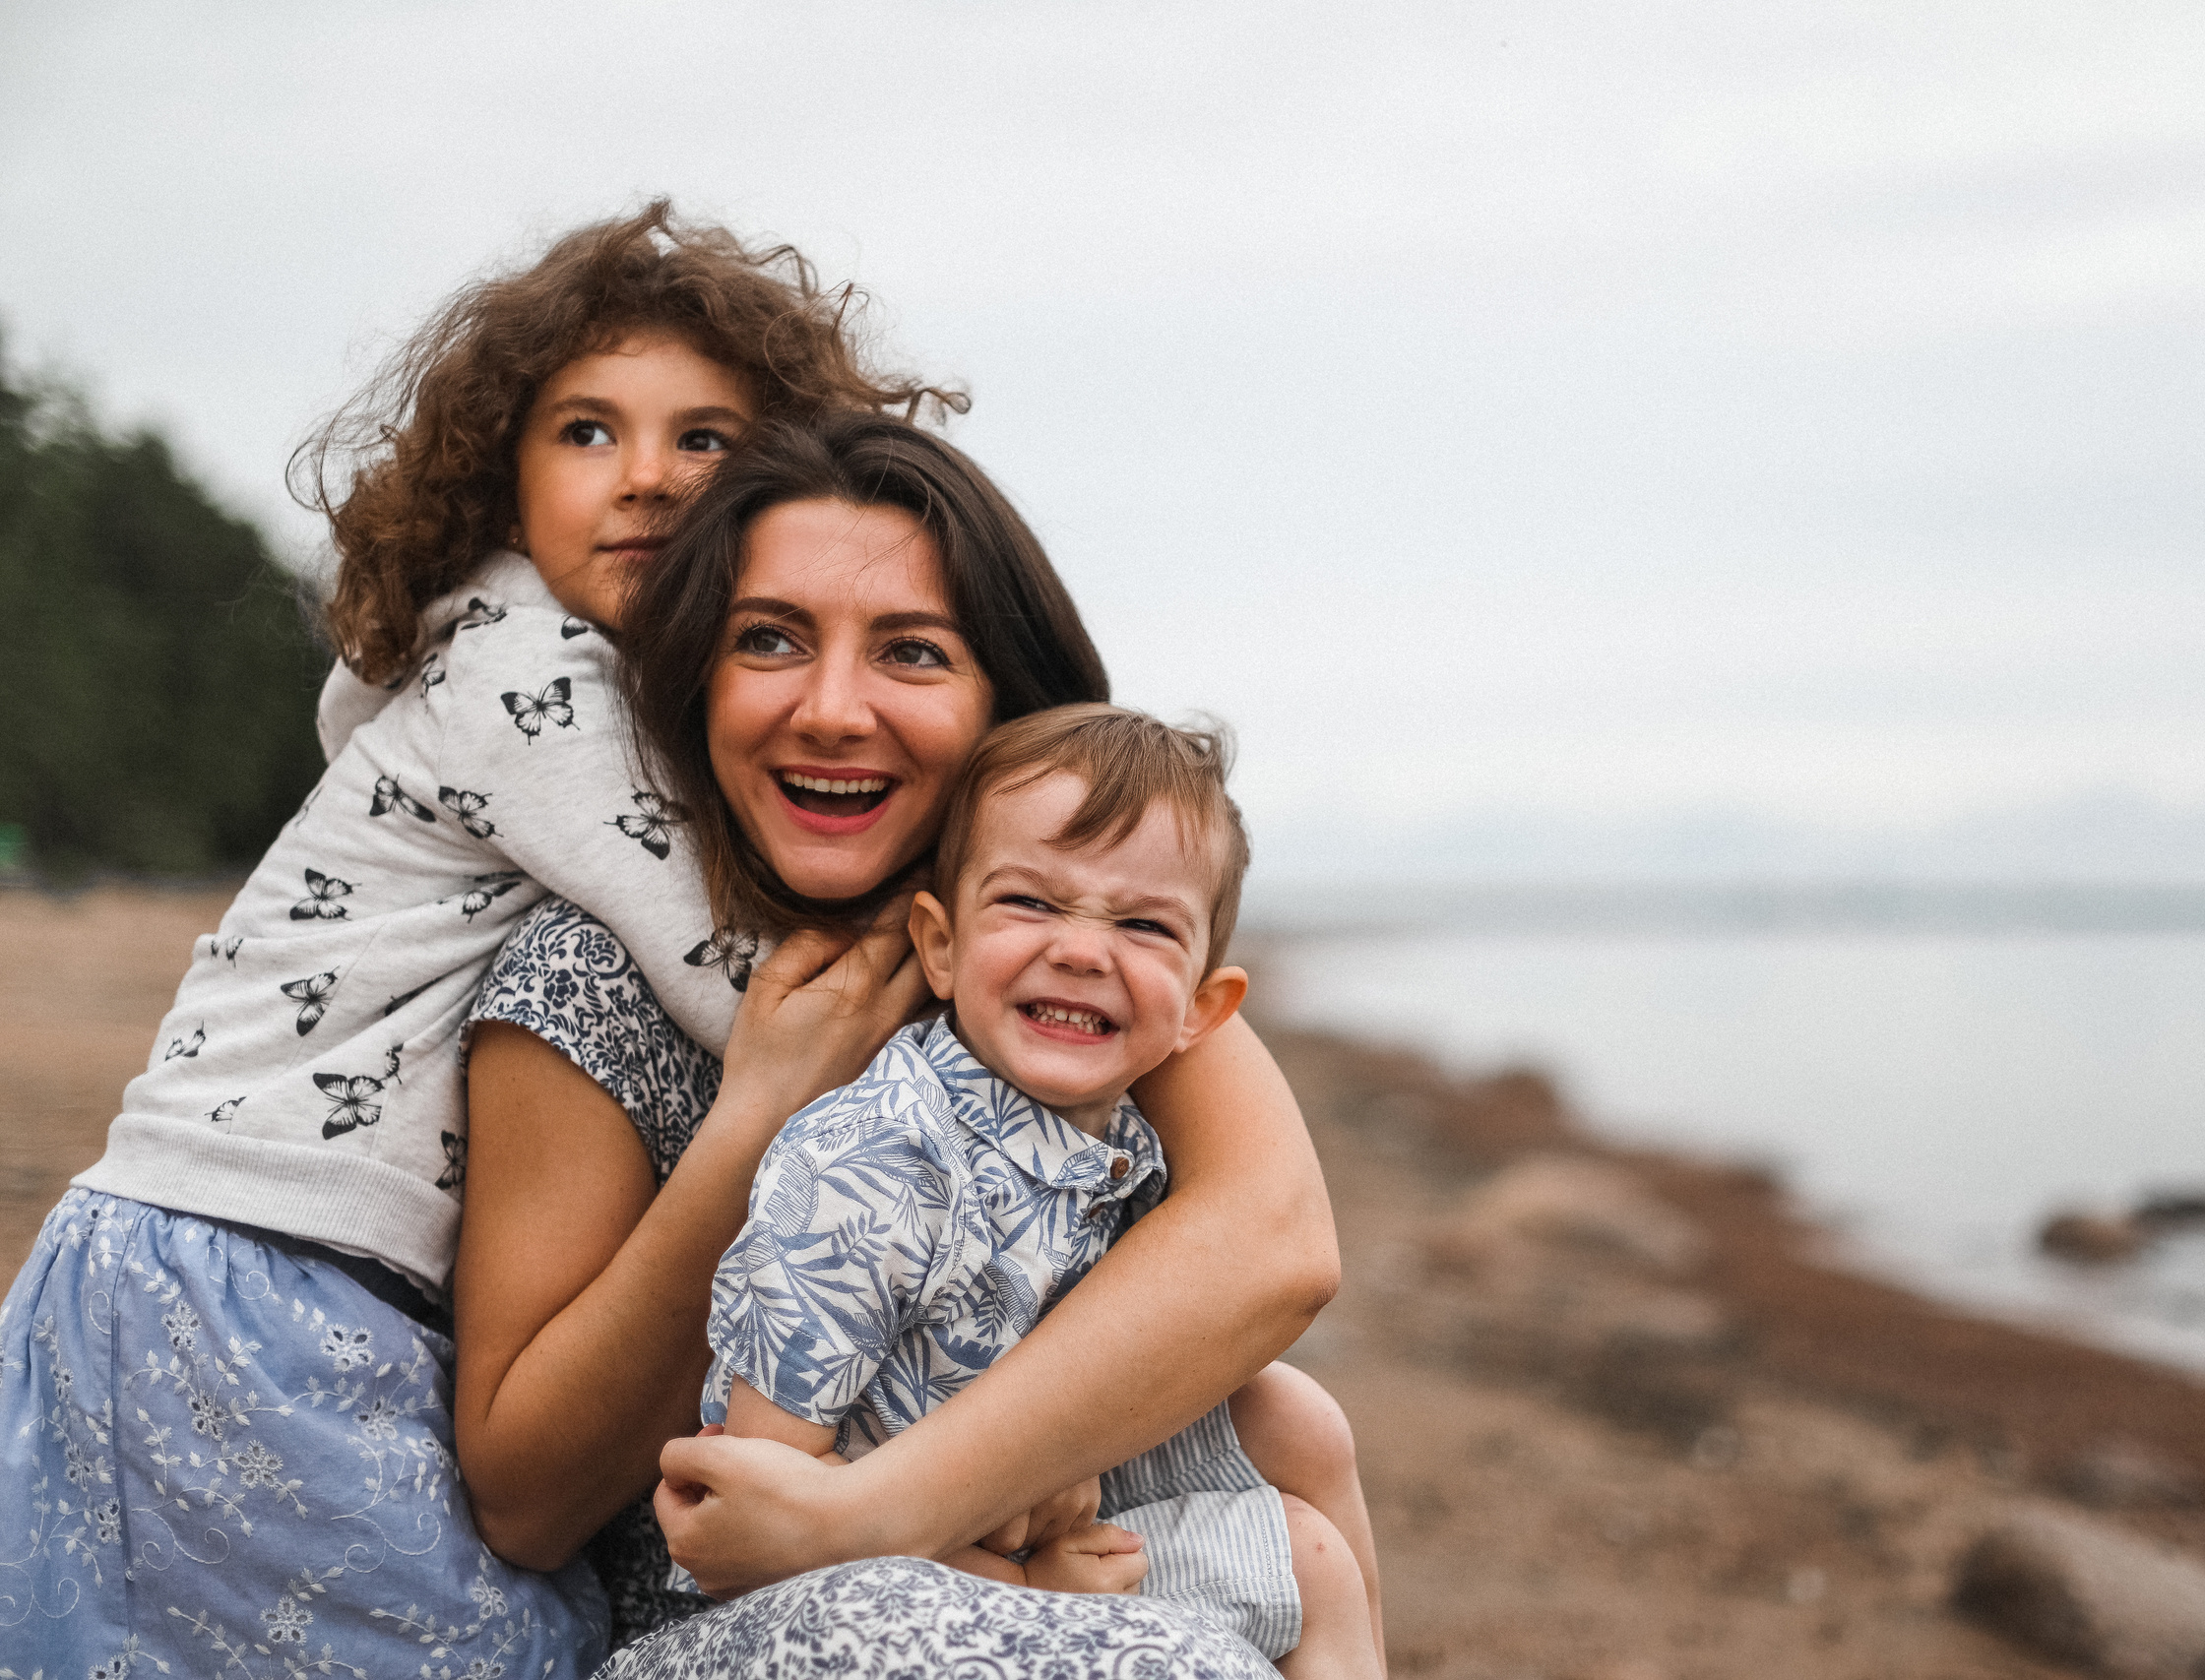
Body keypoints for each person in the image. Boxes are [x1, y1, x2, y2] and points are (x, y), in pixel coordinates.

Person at [0, 203, 924, 1679]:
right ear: (501, 477)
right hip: (246, 1266)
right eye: (585, 433)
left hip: (221, 1260)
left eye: (703, 439)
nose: (645, 479)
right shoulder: (541, 674)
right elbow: (726, 971)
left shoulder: (495, 670)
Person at [455, 411, 1371, 1677]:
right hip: (728, 1616)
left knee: (1297, 1496)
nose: (833, 710)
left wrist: (881, 1515)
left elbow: (1272, 1246)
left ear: (1000, 698)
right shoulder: (594, 967)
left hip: (989, 1548)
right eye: (768, 640)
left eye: (913, 652)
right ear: (697, 679)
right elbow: (522, 1497)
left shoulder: (1060, 955)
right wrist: (759, 1116)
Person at [699, 703, 1380, 1680]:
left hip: (1032, 1530)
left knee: (1311, 1532)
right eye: (1030, 903)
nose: (1082, 950)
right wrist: (1016, 1591)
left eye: (1143, 924)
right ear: (939, 946)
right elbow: (757, 1507)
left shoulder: (1129, 1155)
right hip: (835, 1596)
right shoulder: (869, 1167)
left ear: (1202, 1009)